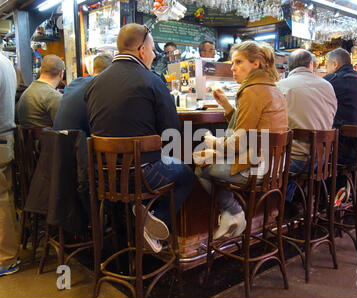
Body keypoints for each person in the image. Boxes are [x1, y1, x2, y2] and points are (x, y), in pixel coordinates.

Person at [84, 23, 194, 252]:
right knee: (186, 174)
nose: (154, 55)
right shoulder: (152, 80)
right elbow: (171, 132)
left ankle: (139, 218)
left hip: (101, 176)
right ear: (142, 50)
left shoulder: (94, 83)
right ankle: (151, 219)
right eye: (153, 50)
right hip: (141, 175)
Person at [194, 41, 288, 239]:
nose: (233, 68)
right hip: (275, 167)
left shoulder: (251, 91)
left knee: (201, 167)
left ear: (256, 63)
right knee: (209, 159)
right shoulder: (271, 87)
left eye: (238, 62)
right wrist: (228, 107)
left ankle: (234, 213)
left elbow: (239, 142)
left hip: (256, 169)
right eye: (232, 63)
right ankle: (232, 215)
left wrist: (213, 144)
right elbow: (252, 125)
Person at [276, 49, 337, 203]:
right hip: (322, 159)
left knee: (262, 159)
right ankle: (297, 203)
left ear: (289, 66)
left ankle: (280, 208)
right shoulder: (328, 86)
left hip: (295, 160)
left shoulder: (280, 86)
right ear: (311, 64)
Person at [324, 47, 357, 165]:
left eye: (326, 65)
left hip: (341, 147)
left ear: (335, 64)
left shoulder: (333, 80)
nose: (325, 69)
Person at [53, 53, 113, 136]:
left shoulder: (75, 82)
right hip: (79, 144)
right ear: (111, 71)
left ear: (93, 69)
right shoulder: (102, 86)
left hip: (57, 141)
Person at [0, 52, 20, 276]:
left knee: (2, 201)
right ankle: (8, 255)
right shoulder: (6, 61)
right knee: (4, 198)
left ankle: (6, 259)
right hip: (5, 137)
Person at [17, 54, 64, 128]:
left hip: (26, 139)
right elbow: (63, 128)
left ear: (40, 70)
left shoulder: (26, 92)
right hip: (48, 139)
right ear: (61, 74)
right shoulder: (54, 96)